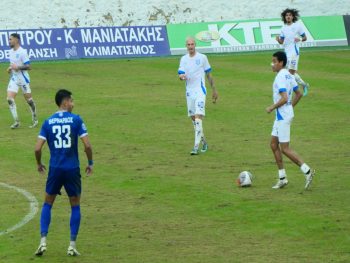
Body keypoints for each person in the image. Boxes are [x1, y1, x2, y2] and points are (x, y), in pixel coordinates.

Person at [34, 89, 93, 256]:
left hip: (55, 169)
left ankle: (43, 241)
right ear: (65, 102)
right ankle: (72, 245)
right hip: (72, 169)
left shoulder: (48, 122)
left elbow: (37, 148)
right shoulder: (76, 120)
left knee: (47, 203)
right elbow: (87, 146)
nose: (73, 104)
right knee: (75, 205)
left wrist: (39, 163)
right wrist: (90, 162)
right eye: (71, 101)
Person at [266, 51, 315, 189]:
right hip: (284, 114)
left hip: (282, 115)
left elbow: (284, 98)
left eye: (274, 61)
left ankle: (308, 171)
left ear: (281, 62)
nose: (272, 64)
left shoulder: (280, 77)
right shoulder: (288, 74)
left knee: (285, 149)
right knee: (273, 145)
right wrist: (289, 107)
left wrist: (272, 107)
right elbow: (299, 93)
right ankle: (282, 178)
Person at [178, 37, 218, 155]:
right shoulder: (184, 59)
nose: (190, 46)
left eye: (192, 44)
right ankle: (204, 142)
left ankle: (195, 147)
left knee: (198, 117)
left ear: (195, 45)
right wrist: (181, 77)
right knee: (193, 119)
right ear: (186, 46)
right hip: (189, 92)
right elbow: (180, 73)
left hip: (200, 91)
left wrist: (214, 90)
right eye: (188, 45)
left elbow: (209, 75)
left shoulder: (202, 58)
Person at [6, 33, 38, 129]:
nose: (9, 41)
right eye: (9, 39)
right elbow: (13, 65)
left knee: (29, 101)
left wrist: (18, 67)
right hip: (14, 78)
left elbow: (29, 66)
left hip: (23, 79)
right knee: (9, 99)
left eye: (10, 39)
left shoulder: (23, 52)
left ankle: (35, 119)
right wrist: (10, 68)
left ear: (16, 40)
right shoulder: (10, 52)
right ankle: (16, 121)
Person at [275, 8, 310, 96]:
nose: (288, 17)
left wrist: (300, 39)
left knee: (290, 72)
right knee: (290, 73)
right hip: (286, 53)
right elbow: (282, 42)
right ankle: (304, 85)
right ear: (284, 17)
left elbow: (305, 38)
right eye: (286, 15)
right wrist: (278, 39)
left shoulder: (297, 26)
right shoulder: (283, 28)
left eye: (290, 15)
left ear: (293, 16)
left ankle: (291, 90)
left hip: (294, 53)